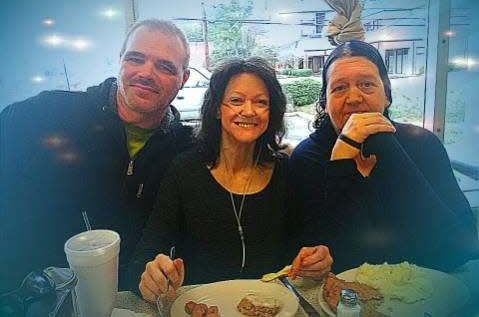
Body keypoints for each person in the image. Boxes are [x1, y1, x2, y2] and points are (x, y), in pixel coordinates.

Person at [0, 19, 194, 292]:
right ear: (121, 62)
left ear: (184, 79)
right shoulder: (43, 114)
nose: (146, 73)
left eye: (164, 66)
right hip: (40, 295)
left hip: (133, 300)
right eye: (136, 59)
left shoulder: (186, 149)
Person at [128, 57, 333, 303]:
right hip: (204, 306)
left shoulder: (286, 171)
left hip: (271, 305)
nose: (248, 111)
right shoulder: (184, 170)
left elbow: (307, 244)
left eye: (260, 102)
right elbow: (147, 252)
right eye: (236, 100)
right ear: (217, 108)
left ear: (272, 112)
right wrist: (150, 276)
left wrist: (316, 259)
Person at [289, 40, 478, 273]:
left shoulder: (422, 144)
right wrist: (342, 158)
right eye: (339, 88)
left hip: (427, 290)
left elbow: (460, 247)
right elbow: (331, 256)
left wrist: (387, 144)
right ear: (325, 103)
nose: (354, 97)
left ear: (386, 96)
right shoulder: (307, 157)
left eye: (366, 84)